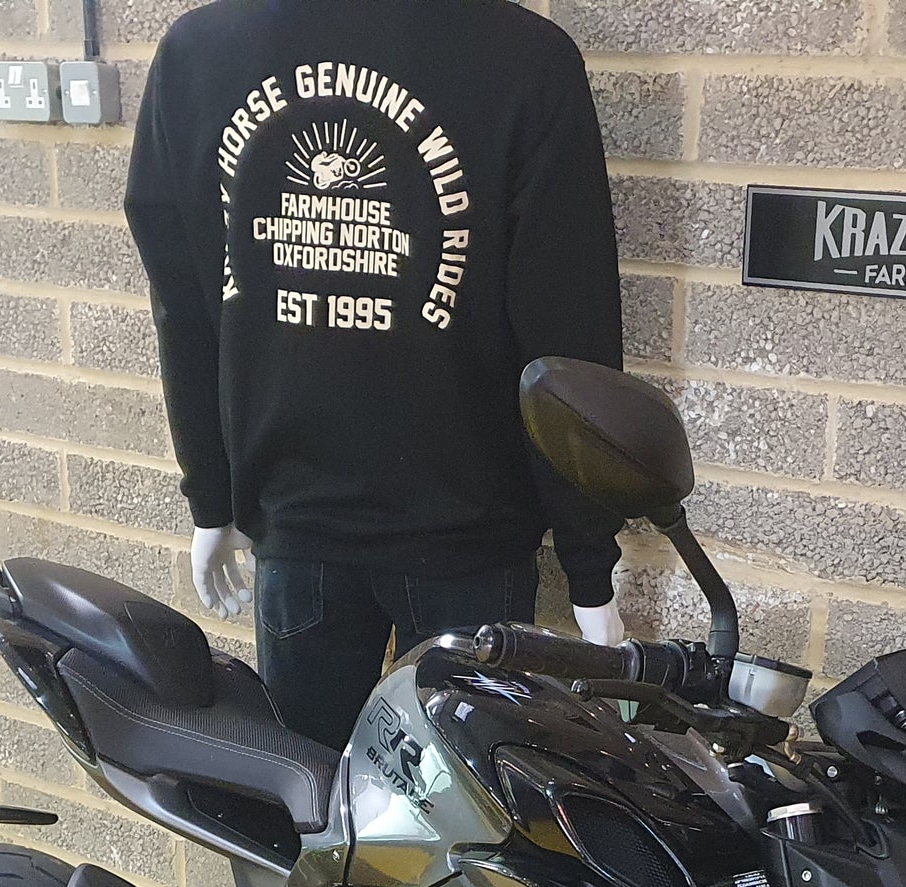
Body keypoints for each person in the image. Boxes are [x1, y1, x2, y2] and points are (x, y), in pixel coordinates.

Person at [125, 0, 628, 752]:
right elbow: (570, 326)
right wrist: (589, 564)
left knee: (318, 800)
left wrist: (212, 498)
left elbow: (185, 307)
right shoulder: (525, 58)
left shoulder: (202, 51)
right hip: (441, 531)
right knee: (448, 810)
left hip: (334, 528)